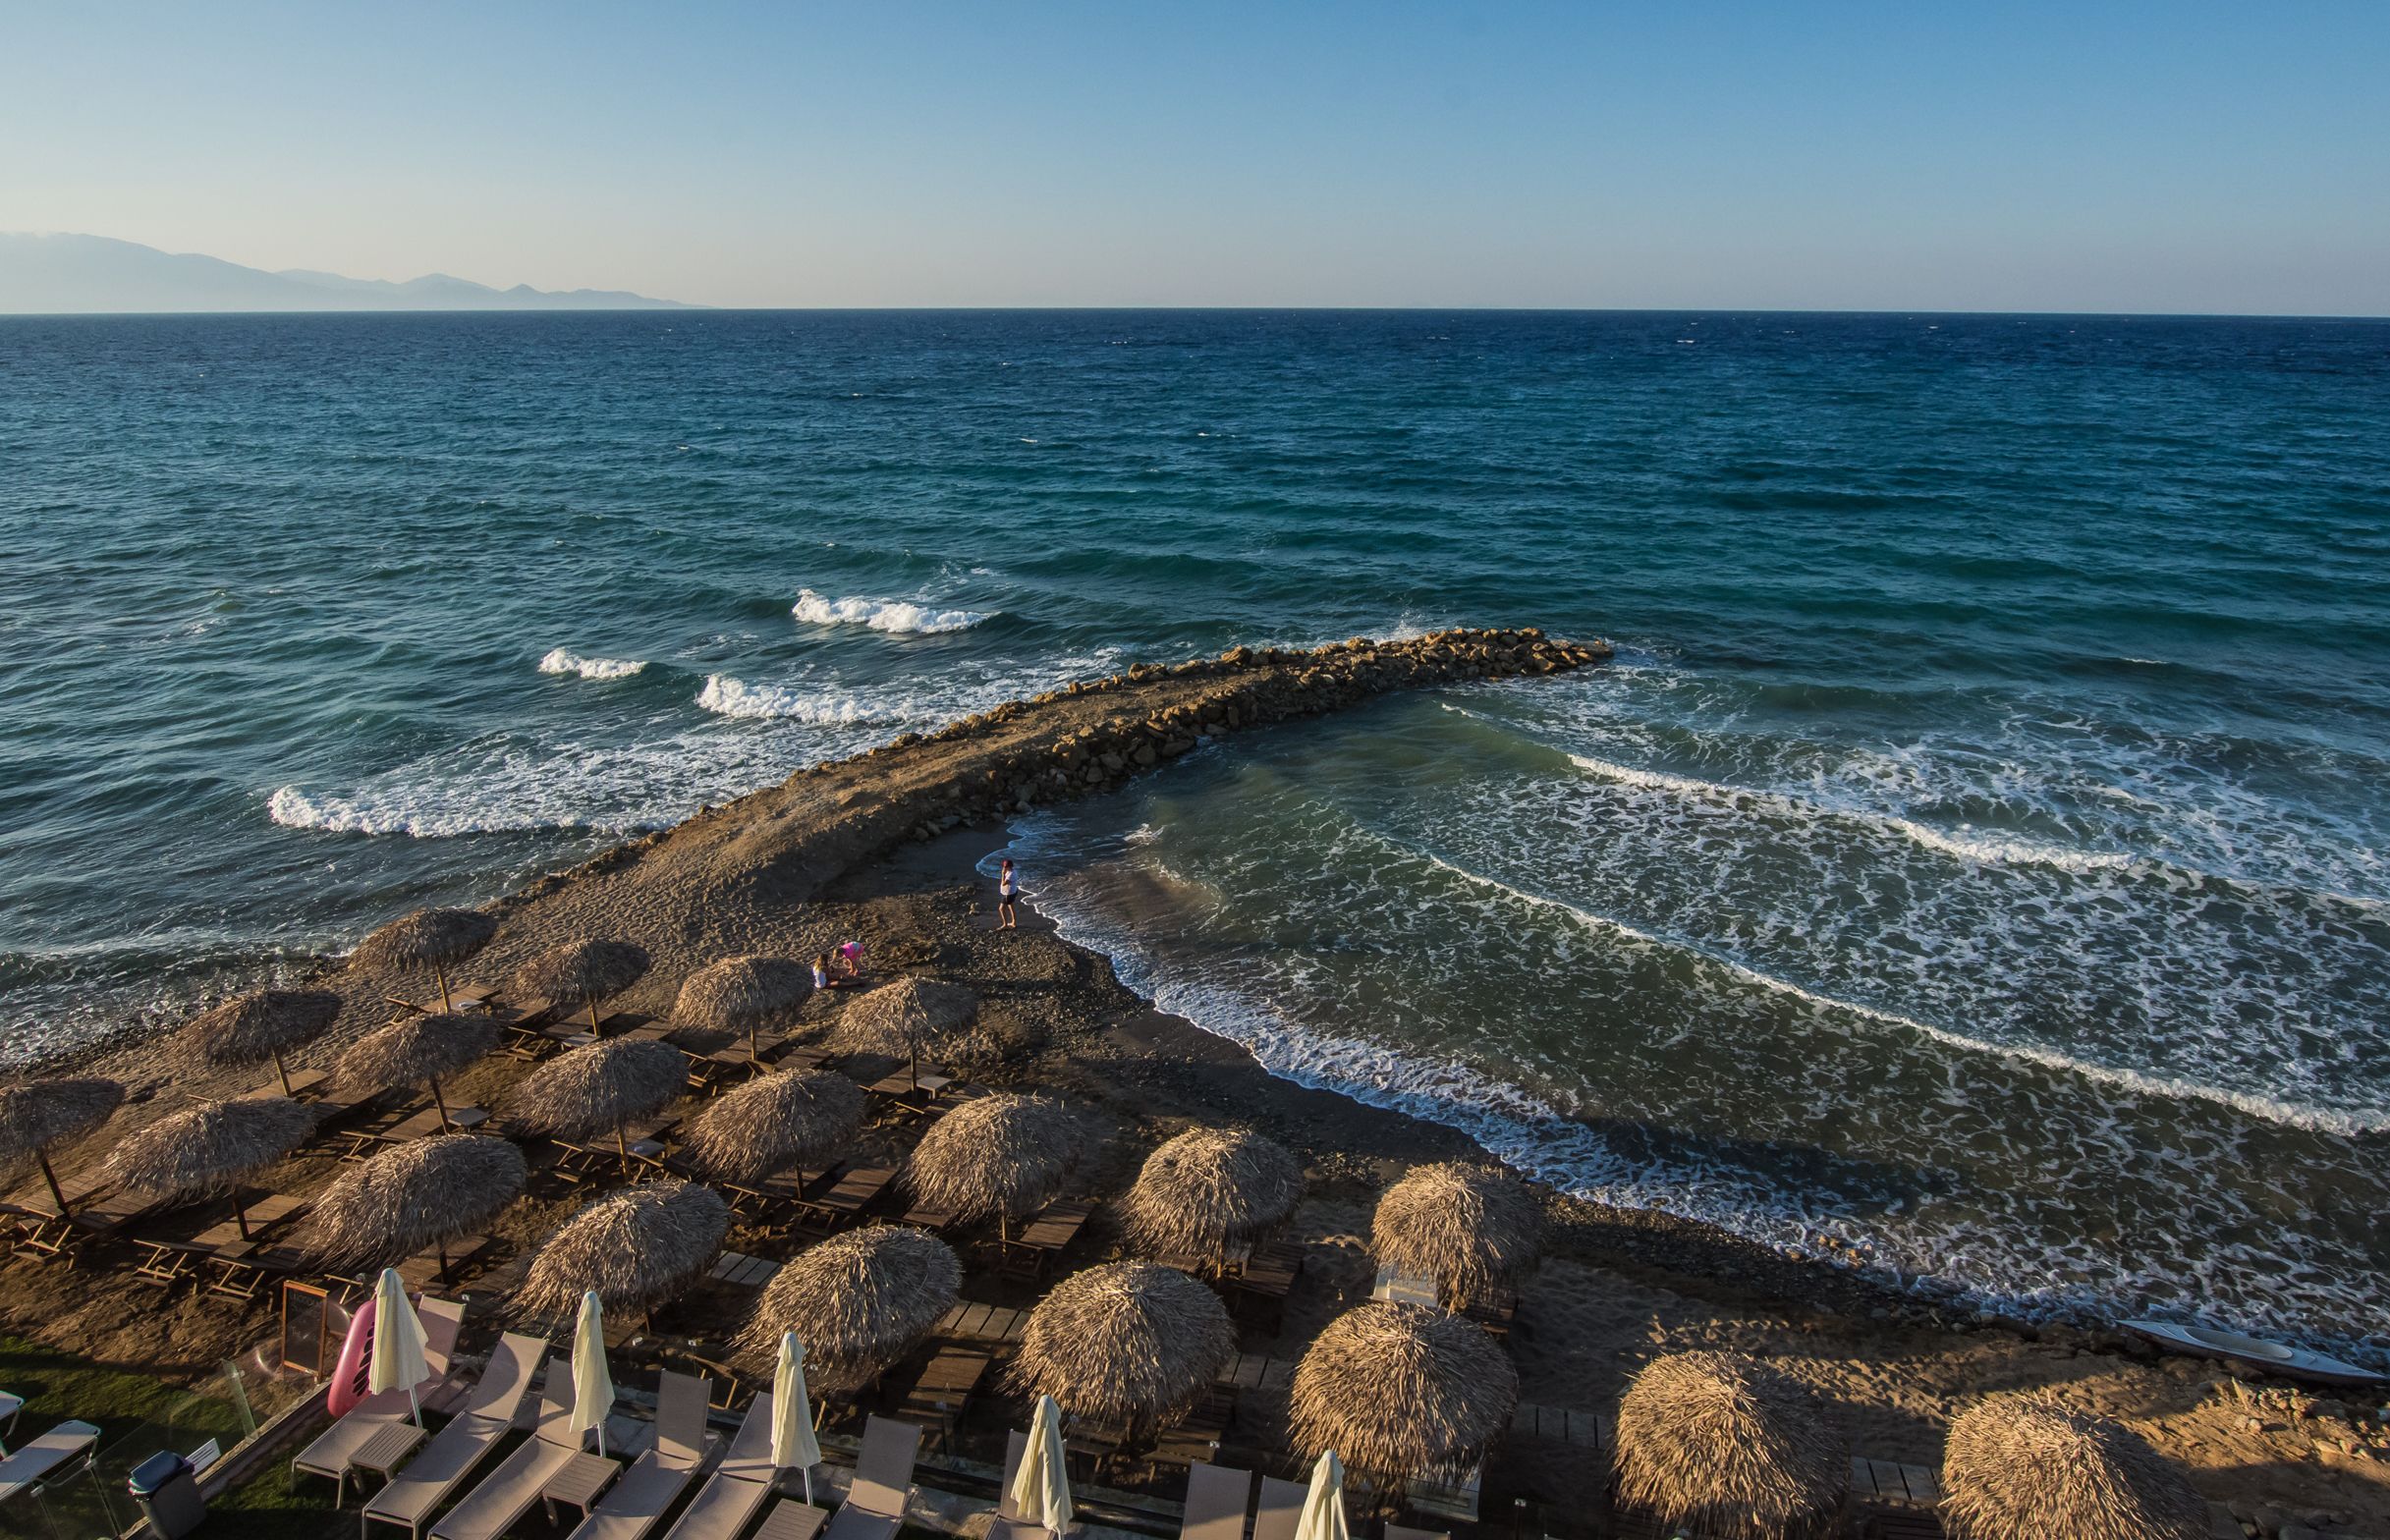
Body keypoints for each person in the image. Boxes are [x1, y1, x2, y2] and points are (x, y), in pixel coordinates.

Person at [997, 858, 1020, 930]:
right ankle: (1014, 922)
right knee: (1011, 906)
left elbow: (1003, 883)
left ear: (1009, 866)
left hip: (1008, 894)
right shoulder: (1012, 871)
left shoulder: (1011, 874)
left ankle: (1005, 925)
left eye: (1005, 867)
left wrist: (1003, 874)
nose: (1004, 868)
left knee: (1001, 909)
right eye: (1004, 866)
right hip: (1012, 891)